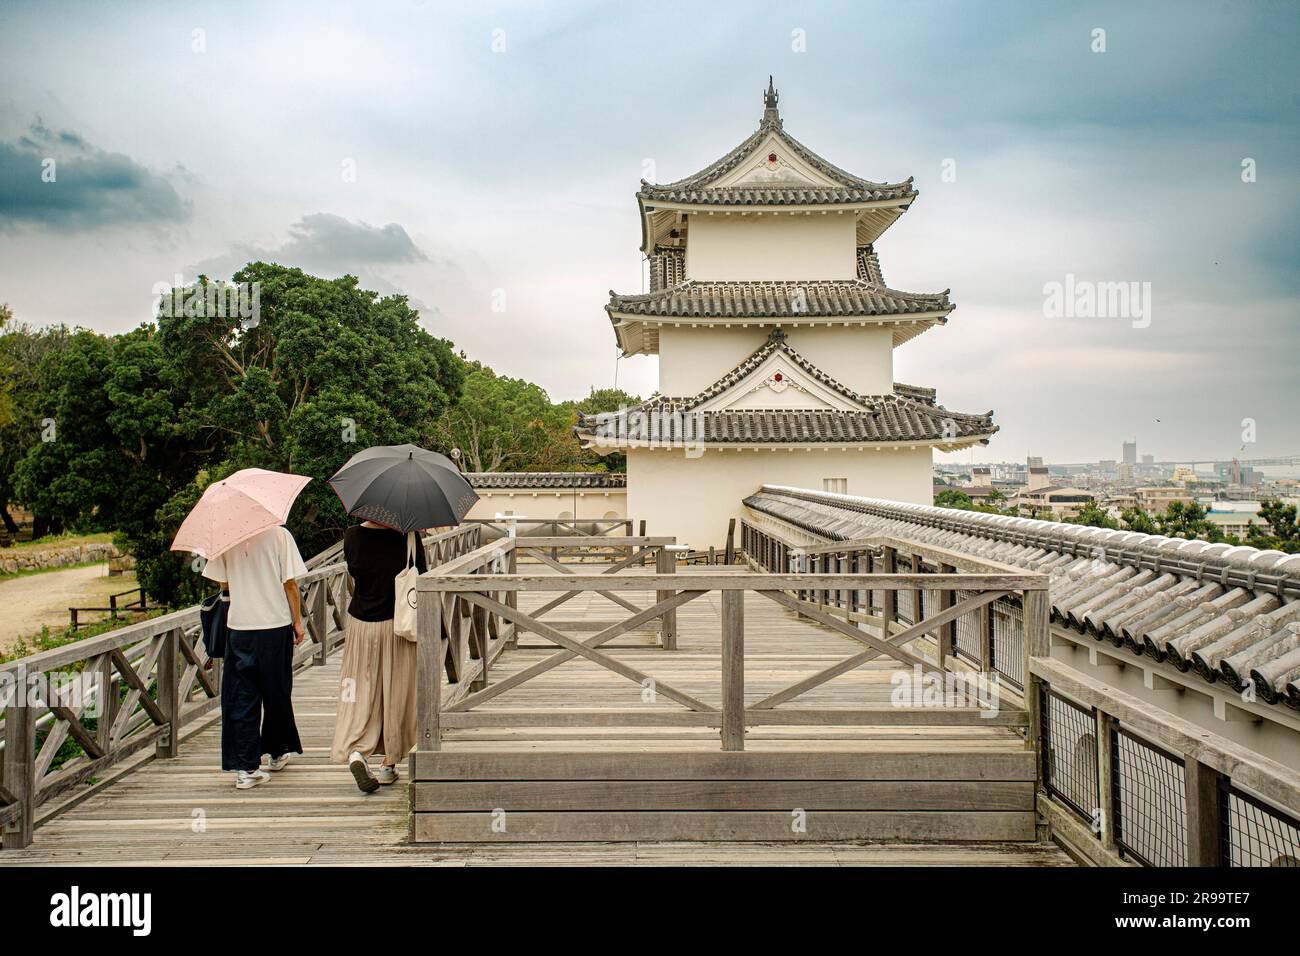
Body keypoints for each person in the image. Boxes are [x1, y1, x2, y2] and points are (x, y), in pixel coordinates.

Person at [202, 524, 308, 791]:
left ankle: (247, 768)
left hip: (240, 628)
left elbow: (223, 584)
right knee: (277, 692)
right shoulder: (280, 535)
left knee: (241, 698)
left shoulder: (226, 537)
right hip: (274, 625)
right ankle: (276, 751)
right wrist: (297, 621)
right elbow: (291, 584)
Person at [331, 521, 426, 792]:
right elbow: (423, 576)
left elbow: (354, 573)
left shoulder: (352, 536)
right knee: (396, 692)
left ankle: (356, 751)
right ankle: (388, 764)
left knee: (358, 690)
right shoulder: (408, 536)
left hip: (361, 625)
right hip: (397, 625)